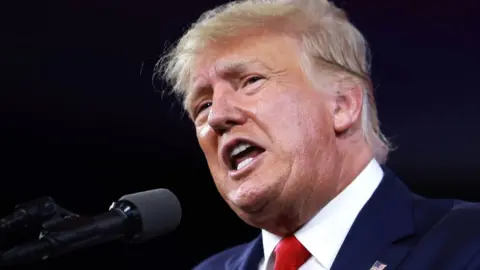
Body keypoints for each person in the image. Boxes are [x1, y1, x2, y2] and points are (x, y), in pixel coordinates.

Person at [158, 0, 480, 269]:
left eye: (250, 81)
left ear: (342, 105)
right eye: (203, 105)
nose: (217, 117)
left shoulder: (465, 244)